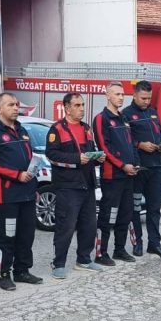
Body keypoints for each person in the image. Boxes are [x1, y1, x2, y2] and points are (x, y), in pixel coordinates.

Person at [0, 93, 43, 290]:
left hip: (27, 193)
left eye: (16, 105)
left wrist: (34, 185)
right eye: (10, 105)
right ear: (0, 109)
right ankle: (3, 273)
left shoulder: (21, 130)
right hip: (6, 196)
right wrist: (16, 175)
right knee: (8, 236)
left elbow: (29, 160)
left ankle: (22, 270)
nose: (16, 108)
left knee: (27, 235)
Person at [46, 93, 107, 278]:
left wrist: (98, 158)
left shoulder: (87, 128)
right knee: (66, 226)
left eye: (82, 105)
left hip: (87, 184)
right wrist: (76, 158)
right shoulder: (57, 129)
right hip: (68, 186)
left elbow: (90, 151)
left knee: (89, 225)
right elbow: (52, 155)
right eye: (77, 105)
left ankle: (84, 260)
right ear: (67, 108)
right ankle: (58, 264)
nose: (81, 109)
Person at [122, 80, 161, 261]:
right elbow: (124, 141)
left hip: (155, 167)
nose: (146, 101)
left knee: (154, 208)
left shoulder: (153, 113)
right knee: (135, 208)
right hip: (138, 169)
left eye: (149, 98)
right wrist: (140, 145)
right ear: (135, 95)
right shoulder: (126, 114)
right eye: (143, 98)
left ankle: (154, 244)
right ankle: (138, 243)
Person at [93, 82, 139, 266]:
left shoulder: (124, 118)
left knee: (125, 214)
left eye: (122, 94)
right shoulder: (101, 118)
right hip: (112, 176)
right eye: (117, 94)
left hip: (128, 175)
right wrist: (122, 165)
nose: (121, 97)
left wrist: (135, 164)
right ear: (108, 96)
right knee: (108, 215)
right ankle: (101, 253)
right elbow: (104, 147)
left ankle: (119, 249)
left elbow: (131, 144)